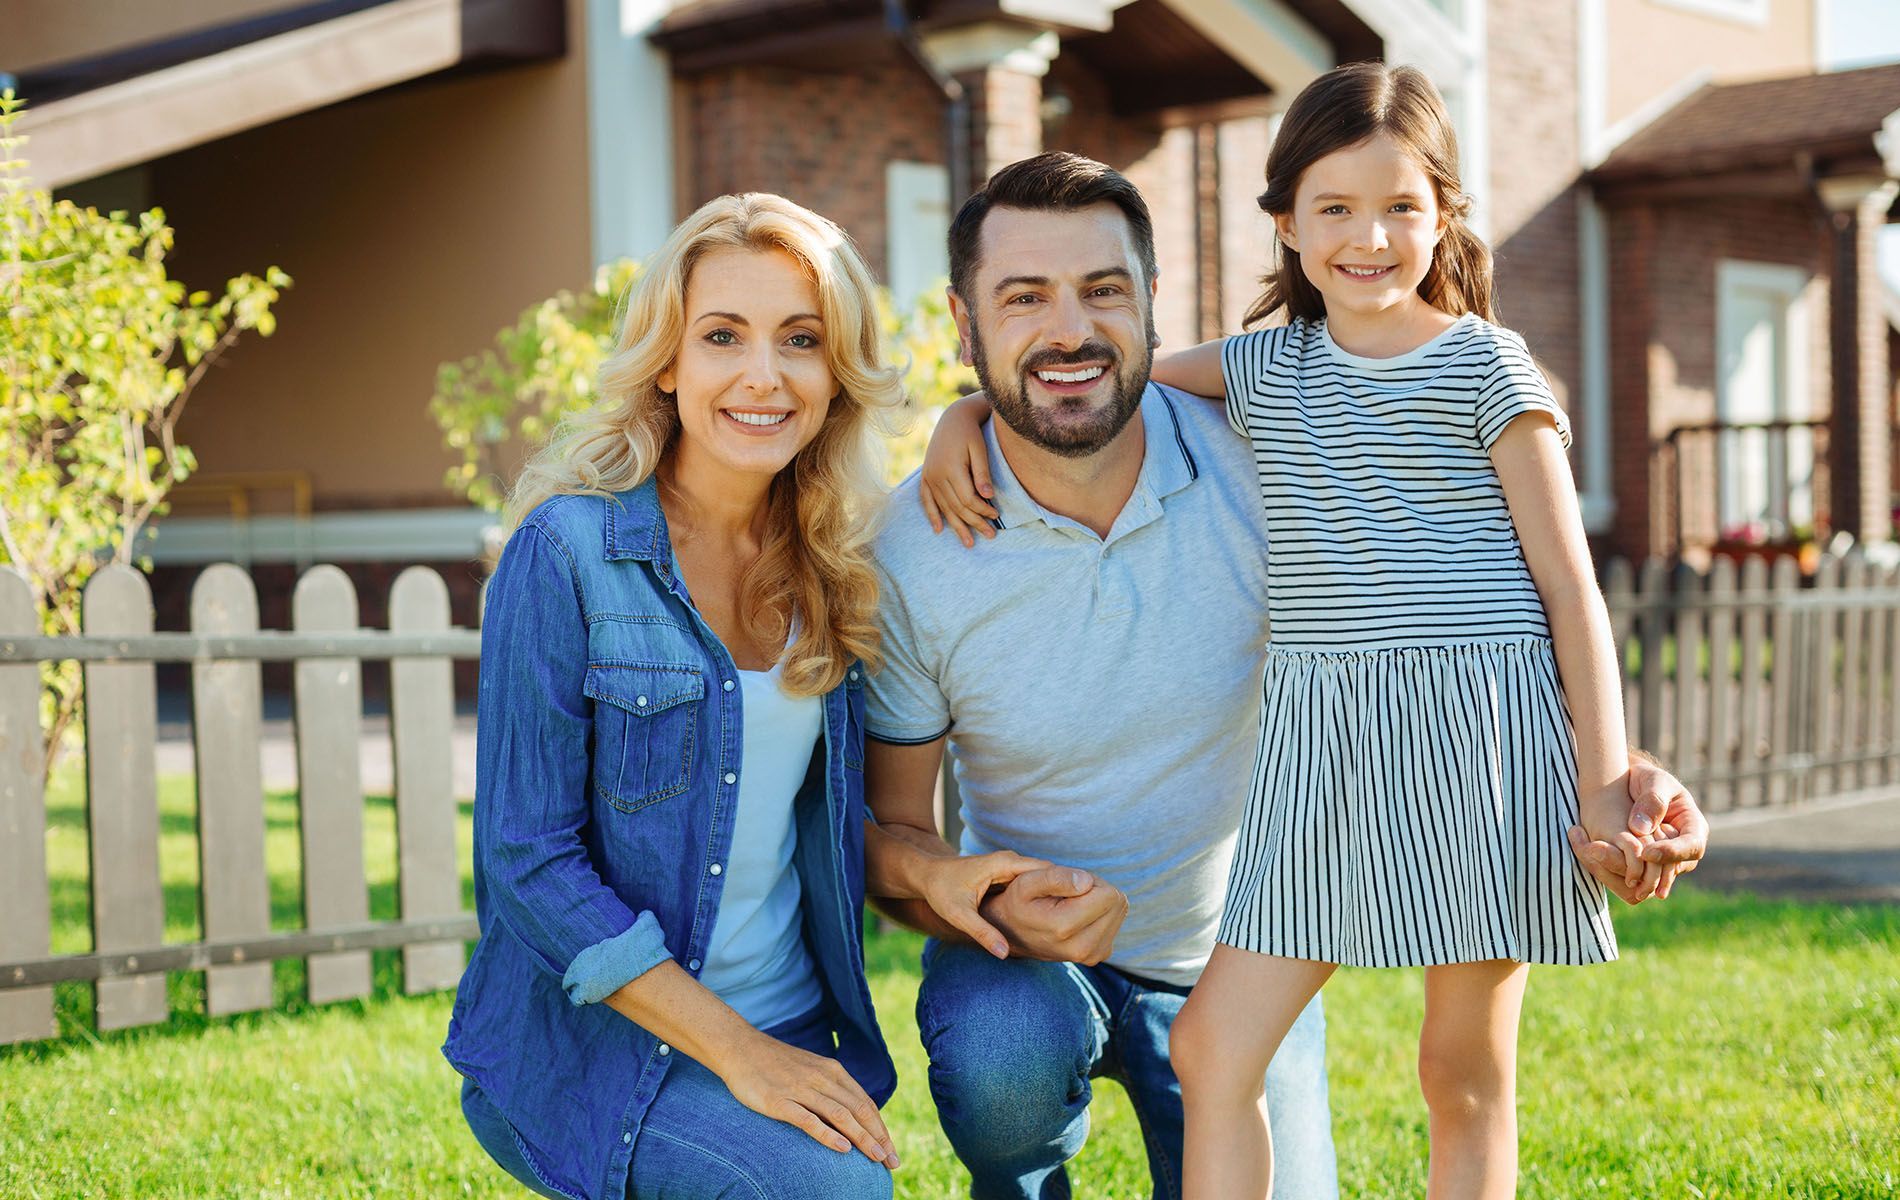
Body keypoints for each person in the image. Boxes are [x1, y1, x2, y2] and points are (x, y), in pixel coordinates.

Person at [897, 149, 1709, 1200]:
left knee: (1459, 1071)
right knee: (1114, 1055)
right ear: (1285, 221)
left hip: (1366, 823)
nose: (1367, 238)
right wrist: (960, 416)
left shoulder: (1389, 400)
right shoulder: (1258, 378)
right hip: (1179, 864)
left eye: (1398, 208)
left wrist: (1608, 772)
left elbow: (1536, 591)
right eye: (1335, 208)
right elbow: (1090, 378)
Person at [441, 193, 1035, 1200]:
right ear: (667, 361)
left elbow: (801, 823)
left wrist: (934, 876)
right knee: (836, 1191)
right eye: (724, 336)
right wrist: (737, 1054)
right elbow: (526, 859)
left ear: (832, 369)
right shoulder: (567, 553)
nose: (763, 375)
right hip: (607, 1049)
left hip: (794, 1018)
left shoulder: (833, 566)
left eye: (799, 340)